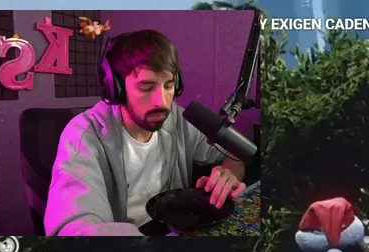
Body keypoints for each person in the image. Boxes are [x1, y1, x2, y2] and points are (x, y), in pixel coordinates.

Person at [46, 30, 246, 236]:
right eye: (147, 87)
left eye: (168, 85)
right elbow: (72, 229)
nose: (162, 102)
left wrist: (227, 175)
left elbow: (233, 156)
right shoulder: (83, 136)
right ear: (116, 87)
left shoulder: (178, 119)